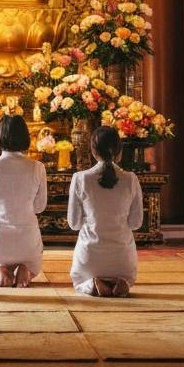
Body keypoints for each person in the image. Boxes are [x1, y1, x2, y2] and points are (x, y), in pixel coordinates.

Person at [67, 125, 143, 297]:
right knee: (126, 275)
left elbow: (74, 224)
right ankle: (120, 281)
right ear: (119, 151)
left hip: (89, 257)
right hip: (123, 260)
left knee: (79, 281)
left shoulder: (80, 179)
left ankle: (92, 284)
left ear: (93, 151)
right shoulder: (131, 179)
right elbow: (136, 223)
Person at [0, 115, 48, 287]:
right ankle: (26, 269)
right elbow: (39, 207)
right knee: (34, 266)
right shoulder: (37, 167)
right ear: (25, 137)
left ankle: (0, 270)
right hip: (27, 242)